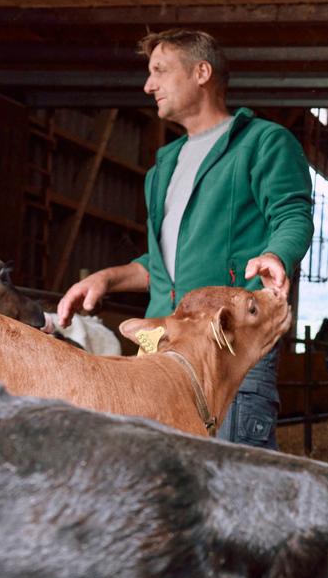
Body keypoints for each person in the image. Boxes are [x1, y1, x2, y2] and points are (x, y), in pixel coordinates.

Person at [56, 29, 313, 450]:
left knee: (231, 481)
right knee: (162, 479)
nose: (148, 85)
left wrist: (275, 253)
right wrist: (106, 279)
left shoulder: (262, 142)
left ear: (202, 73)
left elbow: (291, 213)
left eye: (160, 71)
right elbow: (162, 266)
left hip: (228, 344)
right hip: (164, 348)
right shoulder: (164, 166)